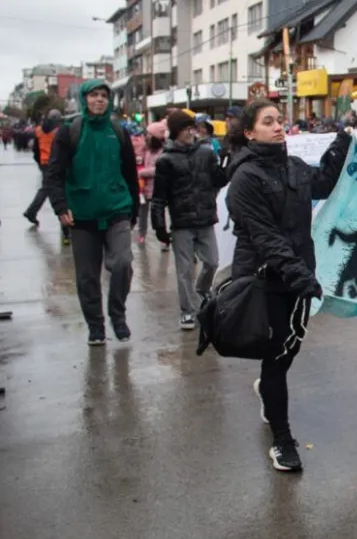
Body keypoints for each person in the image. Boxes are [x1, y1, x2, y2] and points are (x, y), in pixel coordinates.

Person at [226, 100, 350, 472]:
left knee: (289, 348)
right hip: (264, 280)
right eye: (268, 122)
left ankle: (266, 388)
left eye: (280, 121)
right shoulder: (244, 178)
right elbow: (265, 238)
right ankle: (282, 440)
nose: (279, 127)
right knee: (277, 356)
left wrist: (342, 144)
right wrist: (300, 276)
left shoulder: (294, 167)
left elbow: (324, 182)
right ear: (250, 132)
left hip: (298, 275)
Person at [44, 80, 139, 345]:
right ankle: (95, 326)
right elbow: (54, 174)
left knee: (122, 263)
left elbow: (130, 172)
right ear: (84, 99)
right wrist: (61, 207)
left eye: (104, 96)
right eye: (94, 95)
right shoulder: (70, 131)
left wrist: (133, 209)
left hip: (117, 209)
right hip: (82, 214)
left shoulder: (118, 131)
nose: (99, 100)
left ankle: (117, 315)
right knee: (87, 276)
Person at [151, 110, 228, 330]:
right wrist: (159, 226)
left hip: (205, 219)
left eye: (192, 128)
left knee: (212, 261)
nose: (190, 133)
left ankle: (203, 288)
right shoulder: (165, 160)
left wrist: (227, 164)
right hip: (181, 223)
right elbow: (159, 198)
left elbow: (217, 180)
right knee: (184, 270)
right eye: (185, 129)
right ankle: (187, 311)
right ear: (176, 132)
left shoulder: (205, 153)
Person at [24, 109, 70, 243]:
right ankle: (65, 230)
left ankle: (31, 211)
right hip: (58, 163)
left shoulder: (38, 130)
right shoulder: (61, 130)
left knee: (46, 188)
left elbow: (35, 150)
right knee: (58, 192)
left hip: (45, 162)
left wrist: (40, 162)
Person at [137, 121, 167, 245]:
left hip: (157, 189)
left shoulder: (163, 152)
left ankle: (163, 239)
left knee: (159, 215)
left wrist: (142, 172)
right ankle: (141, 235)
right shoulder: (147, 149)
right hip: (143, 189)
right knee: (142, 213)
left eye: (149, 134)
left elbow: (159, 169)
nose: (146, 136)